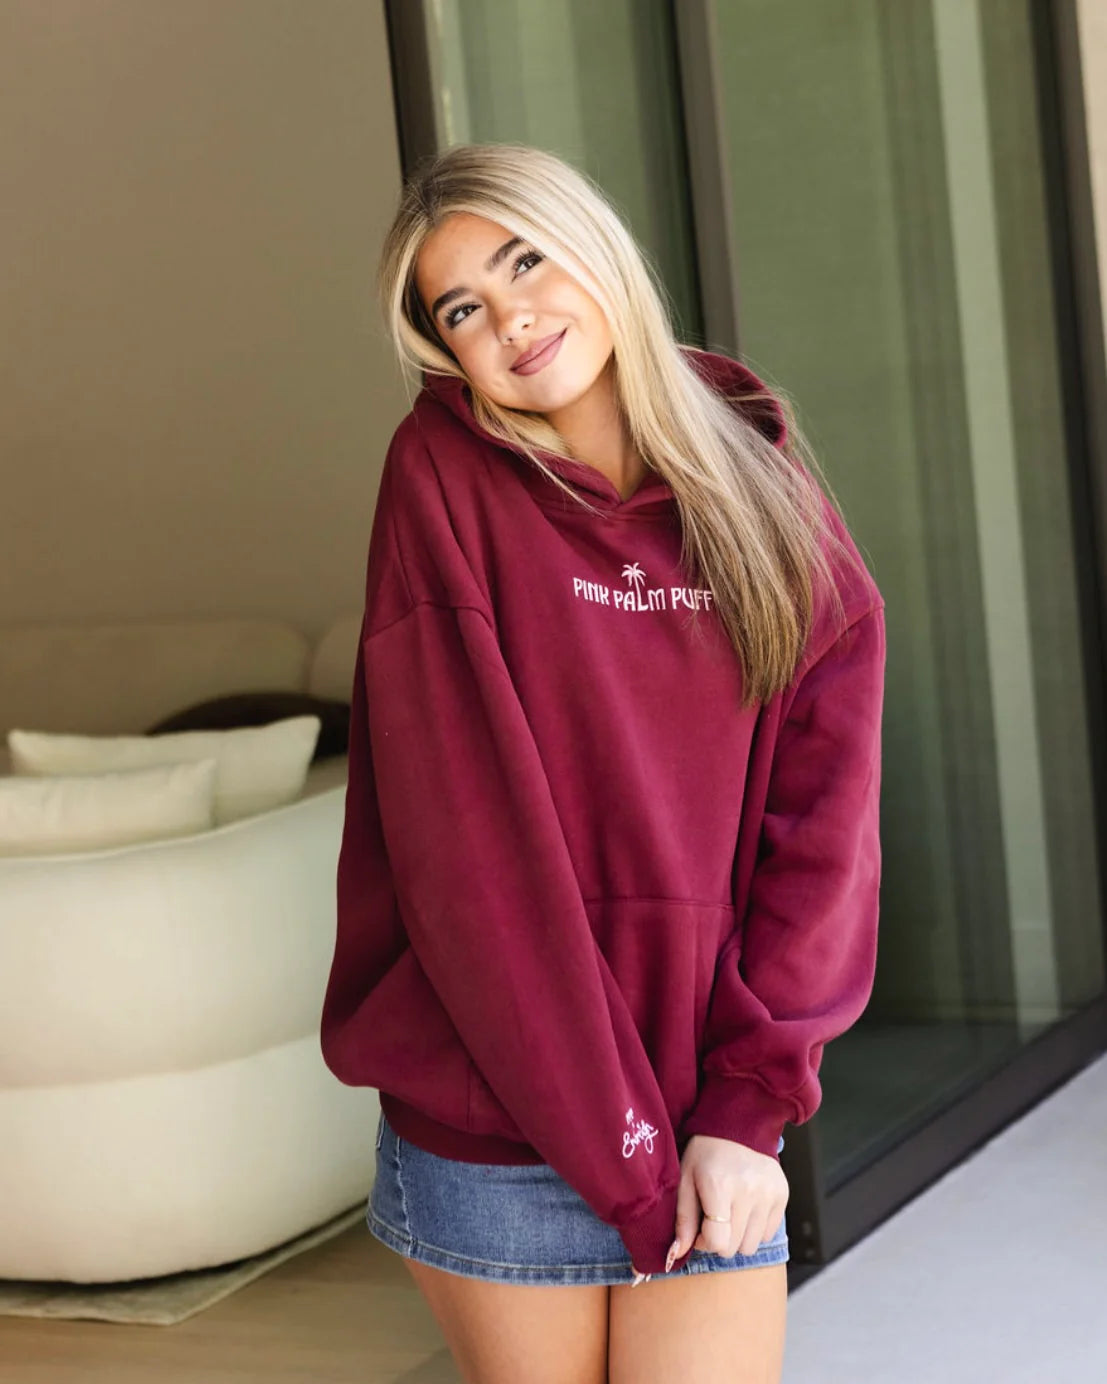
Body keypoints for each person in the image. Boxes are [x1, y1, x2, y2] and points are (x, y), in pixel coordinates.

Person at [320, 141, 885, 1384]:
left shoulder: (759, 485)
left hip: (705, 1114)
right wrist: (628, 1154)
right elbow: (468, 858)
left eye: (525, 261)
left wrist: (745, 1106)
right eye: (463, 308)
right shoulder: (442, 479)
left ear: (594, 246)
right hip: (498, 1117)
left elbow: (824, 833)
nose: (511, 318)